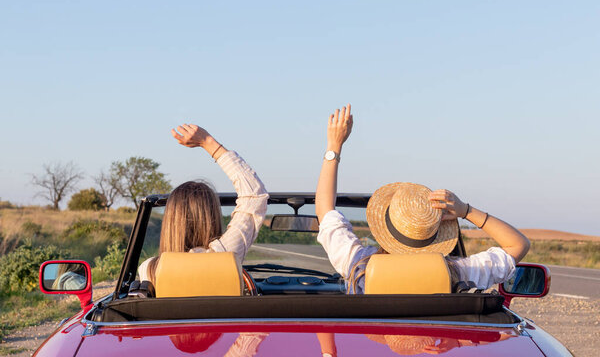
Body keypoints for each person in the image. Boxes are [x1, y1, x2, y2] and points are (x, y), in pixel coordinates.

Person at [315, 104, 530, 294]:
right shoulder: (460, 273)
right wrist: (466, 210)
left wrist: (334, 146)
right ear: (437, 234)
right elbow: (518, 245)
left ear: (386, 228)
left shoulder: (359, 266)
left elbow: (325, 211)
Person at [138, 124, 268, 284]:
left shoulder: (148, 269)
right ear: (211, 217)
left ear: (170, 222)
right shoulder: (225, 254)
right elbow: (254, 196)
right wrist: (208, 142)